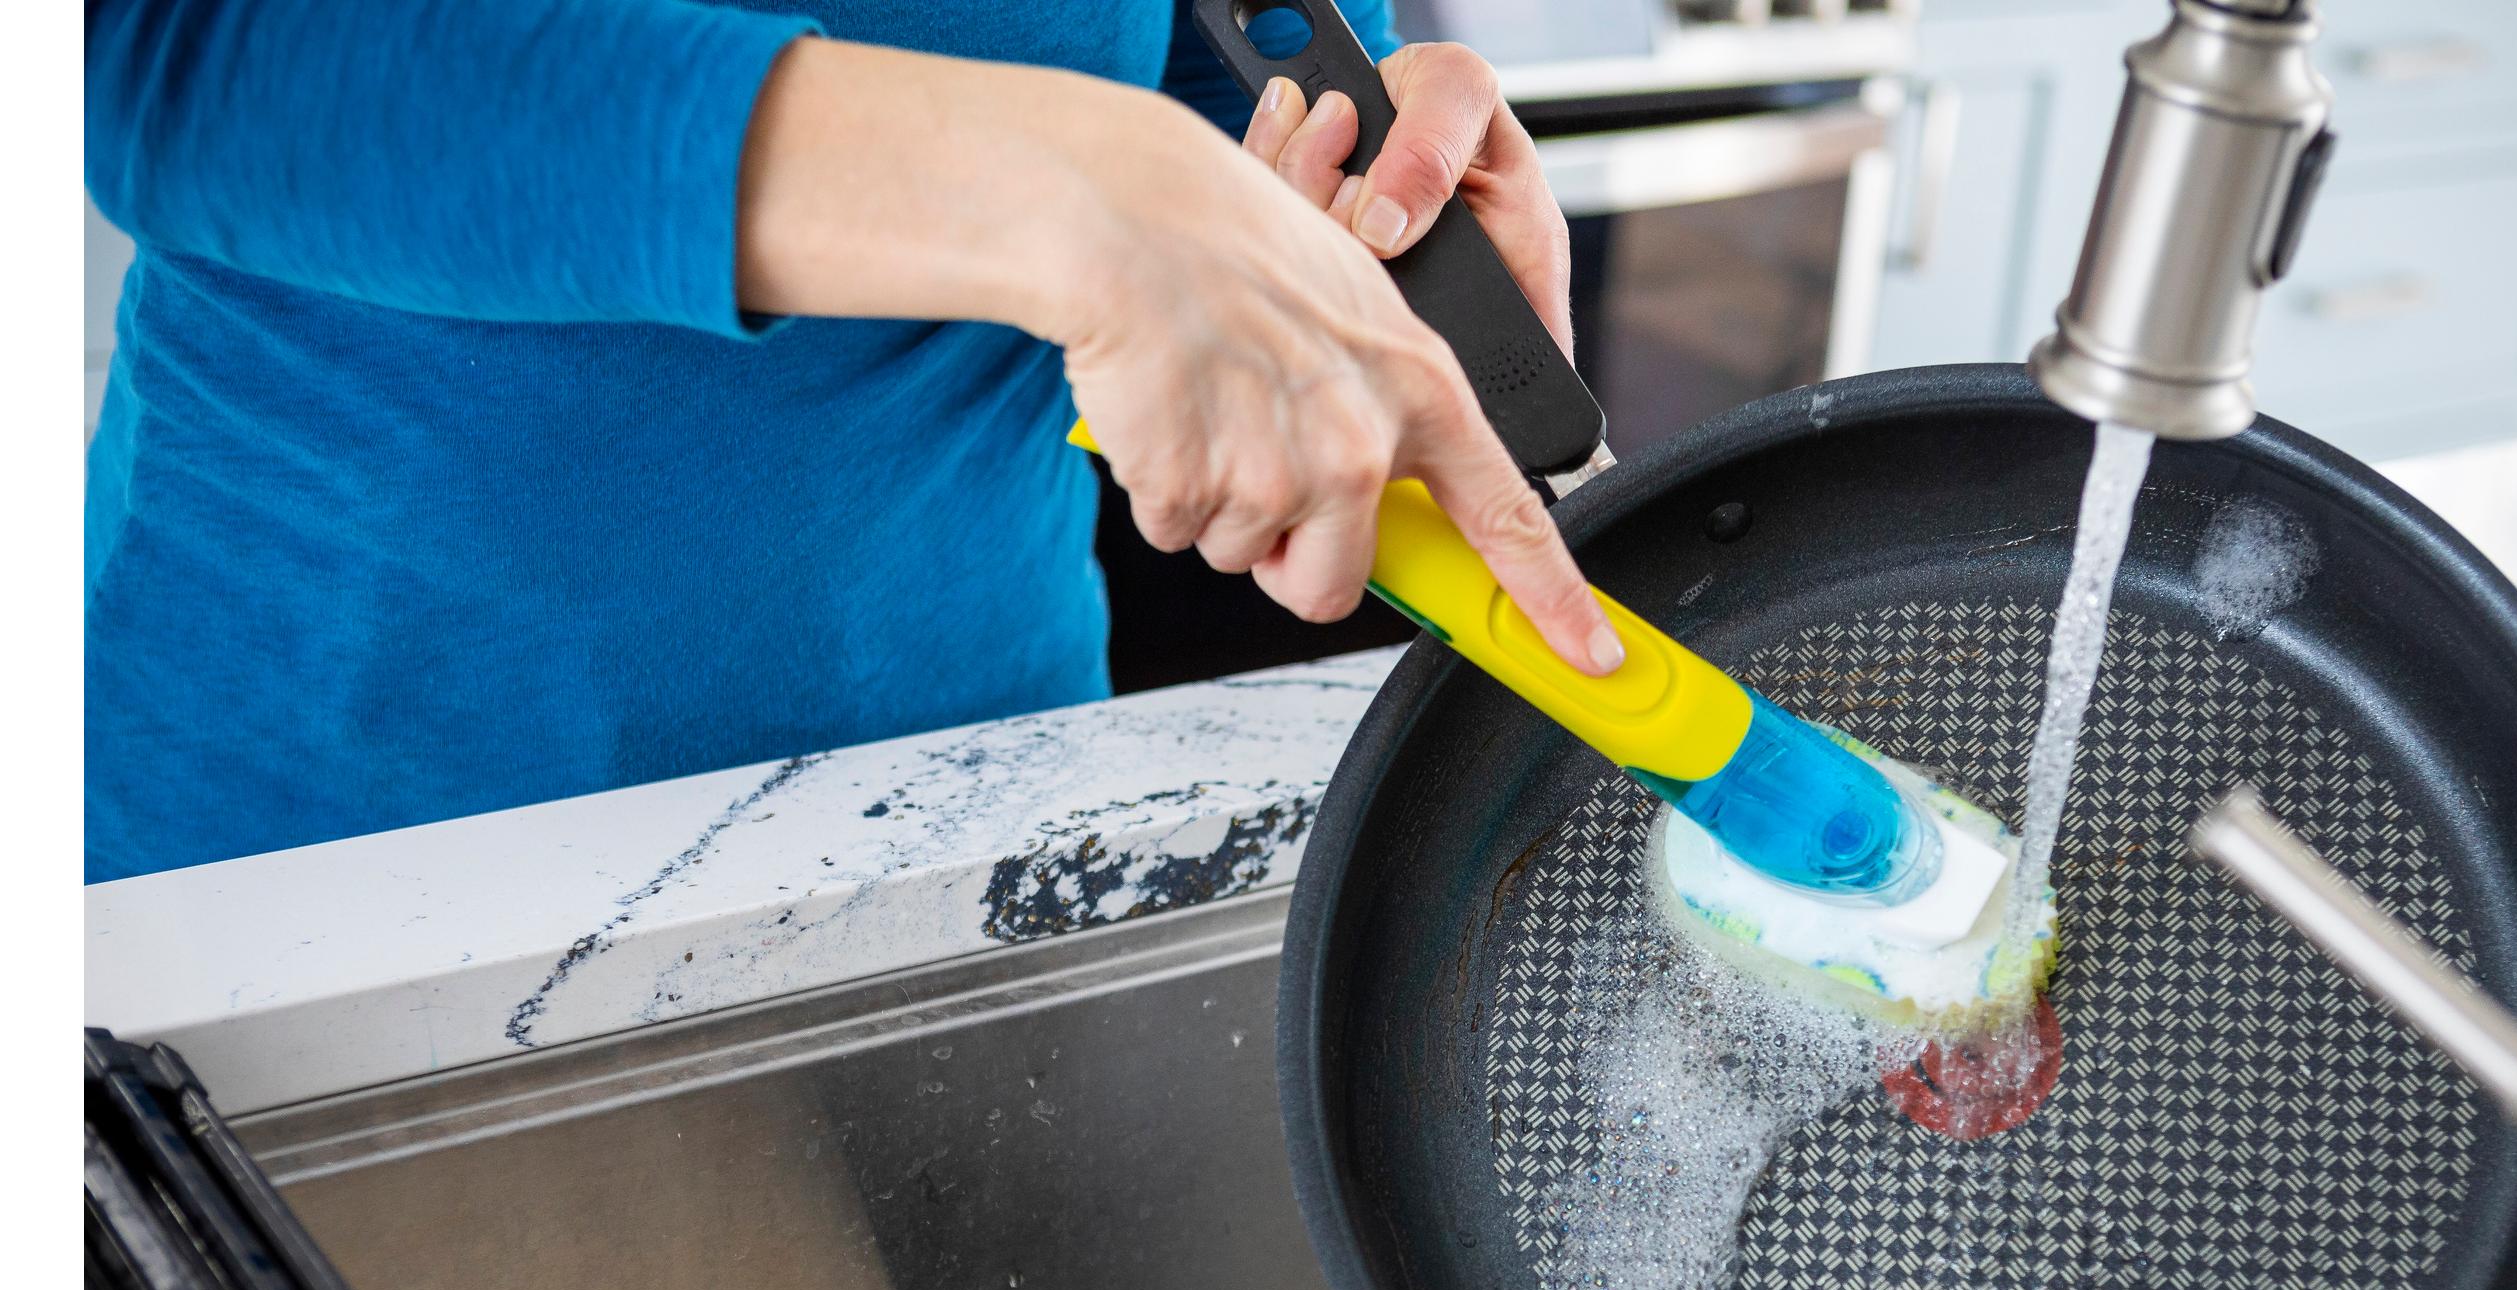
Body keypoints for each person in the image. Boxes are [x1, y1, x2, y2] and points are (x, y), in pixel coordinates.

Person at [82, 0, 1619, 883]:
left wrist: (1325, 171)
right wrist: (1065, 192)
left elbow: (1182, 57)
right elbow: (170, 47)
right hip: (351, 821)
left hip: (979, 775)